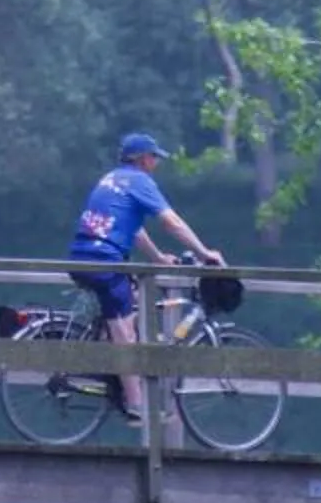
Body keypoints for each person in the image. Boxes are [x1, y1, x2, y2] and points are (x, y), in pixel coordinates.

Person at [65, 132, 221, 425]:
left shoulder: (111, 179)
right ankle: (136, 405)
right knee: (124, 333)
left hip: (84, 256)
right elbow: (172, 222)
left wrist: (158, 258)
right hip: (103, 262)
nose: (156, 163)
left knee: (133, 300)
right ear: (142, 159)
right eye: (153, 157)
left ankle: (113, 370)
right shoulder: (140, 182)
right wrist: (203, 253)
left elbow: (133, 228)